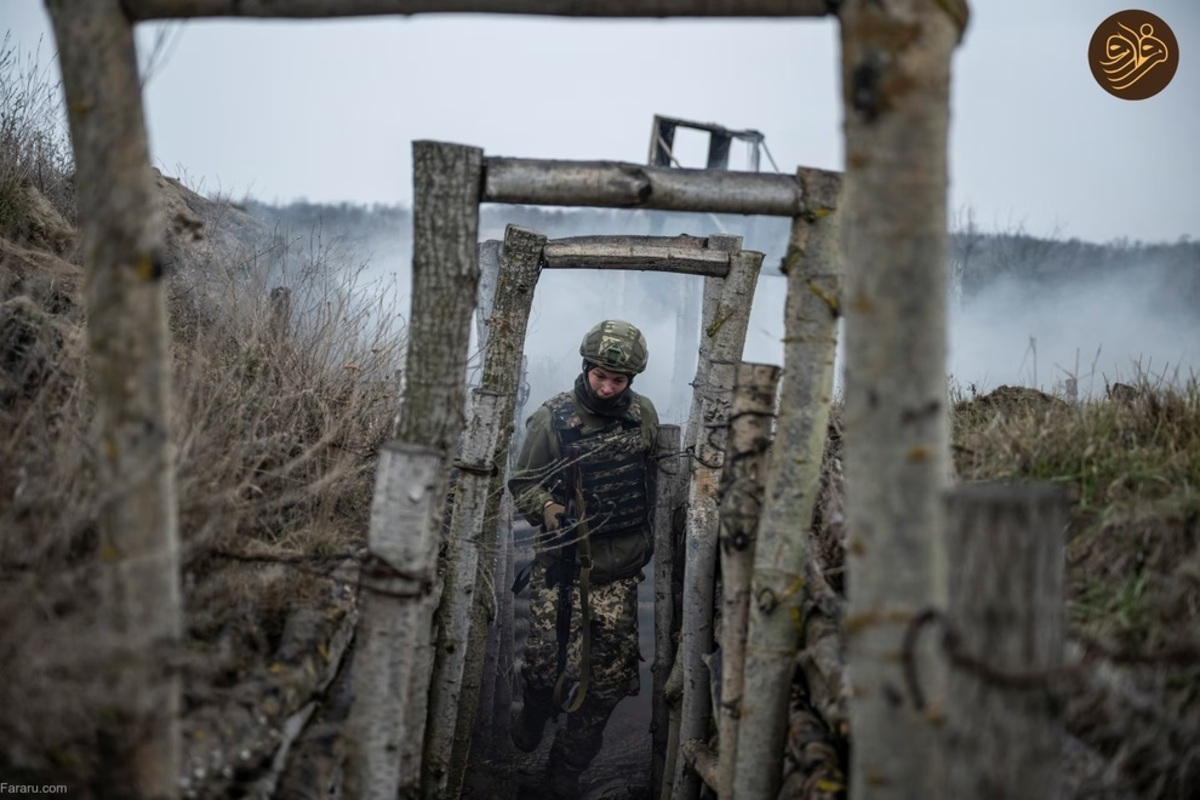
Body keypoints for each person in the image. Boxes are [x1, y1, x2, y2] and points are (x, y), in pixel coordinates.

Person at [507, 319, 660, 796]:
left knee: (608, 682)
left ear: (632, 381)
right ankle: (533, 709)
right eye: (600, 376)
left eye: (618, 380)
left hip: (618, 571)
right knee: (543, 669)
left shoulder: (643, 414)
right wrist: (550, 510)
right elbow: (522, 483)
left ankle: (564, 770)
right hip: (563, 568)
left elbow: (653, 474)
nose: (608, 387)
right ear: (586, 368)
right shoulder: (552, 419)